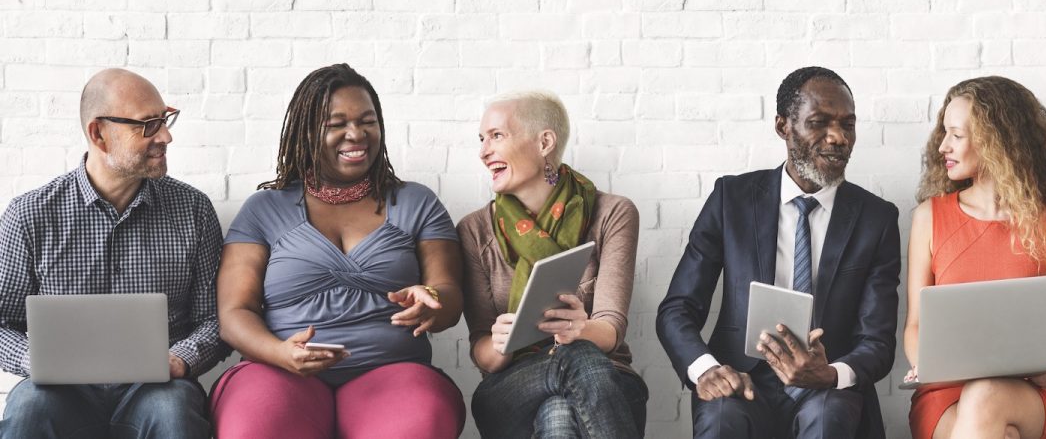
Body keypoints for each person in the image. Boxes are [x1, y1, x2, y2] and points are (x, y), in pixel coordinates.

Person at [213, 64, 466, 439]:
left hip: (390, 369)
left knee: (420, 422)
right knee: (253, 428)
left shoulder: (416, 202)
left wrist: (431, 298)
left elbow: (450, 294)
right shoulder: (264, 209)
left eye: (368, 121)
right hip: (278, 369)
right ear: (306, 132)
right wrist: (280, 352)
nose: (356, 134)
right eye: (337, 124)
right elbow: (234, 312)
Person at [656, 66, 901, 439]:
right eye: (819, 122)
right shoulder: (731, 199)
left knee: (827, 421)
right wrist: (706, 369)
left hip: (825, 385)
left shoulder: (876, 219)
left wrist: (833, 374)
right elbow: (677, 309)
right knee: (722, 422)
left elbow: (878, 341)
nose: (838, 137)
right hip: (741, 377)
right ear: (783, 126)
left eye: (848, 125)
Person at [0, 68, 228, 438]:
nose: (166, 135)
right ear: (98, 134)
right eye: (149, 125)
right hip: (60, 391)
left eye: (165, 119)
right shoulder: (30, 215)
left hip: (157, 386)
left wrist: (180, 360)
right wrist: (38, 361)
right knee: (28, 410)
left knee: (173, 412)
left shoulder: (193, 210)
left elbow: (214, 320)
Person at [901, 76, 1046, 439]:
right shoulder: (929, 216)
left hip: (1028, 390)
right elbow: (914, 325)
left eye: (956, 135)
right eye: (944, 133)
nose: (943, 146)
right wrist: (924, 363)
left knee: (987, 397)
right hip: (945, 393)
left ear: (995, 141)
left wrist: (1043, 366)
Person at [458, 91, 648, 438]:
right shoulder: (474, 230)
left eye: (497, 136)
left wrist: (581, 330)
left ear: (544, 142)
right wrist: (500, 343)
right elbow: (482, 353)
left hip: (608, 377)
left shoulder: (613, 214)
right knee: (574, 360)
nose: (484, 151)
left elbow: (610, 329)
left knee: (559, 411)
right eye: (482, 139)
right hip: (510, 386)